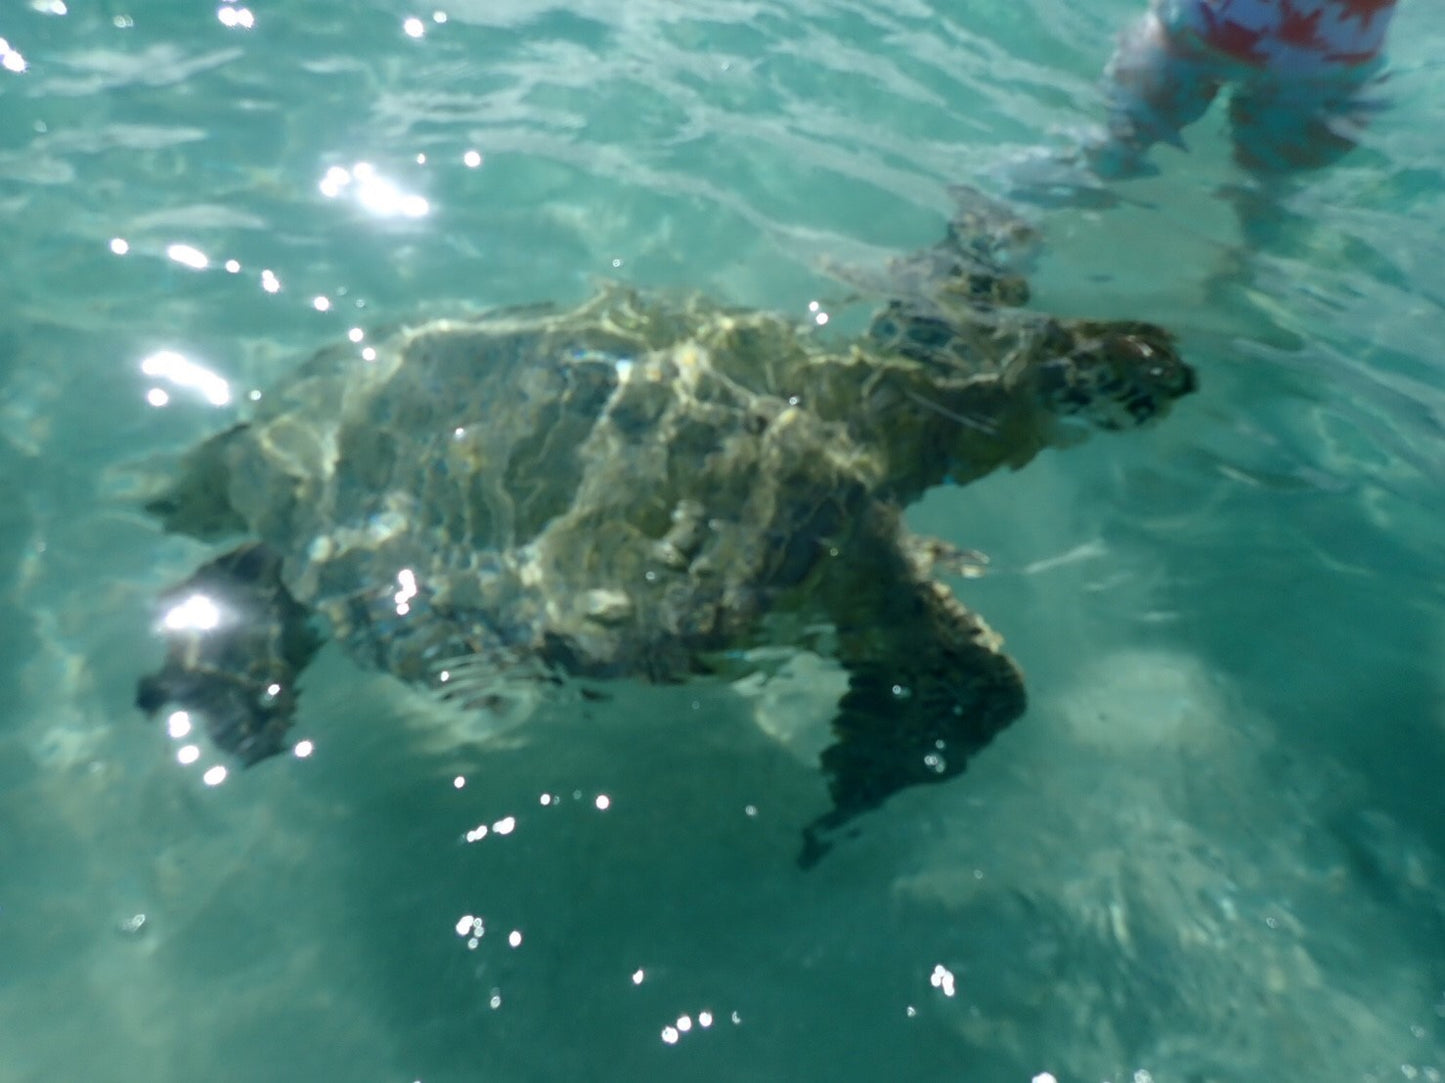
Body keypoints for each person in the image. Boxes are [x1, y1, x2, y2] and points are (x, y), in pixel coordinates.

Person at [1091, 0, 1400, 177]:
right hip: (1327, 64)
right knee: (1267, 200)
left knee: (1115, 148)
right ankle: (1239, 276)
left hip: (1199, 29)